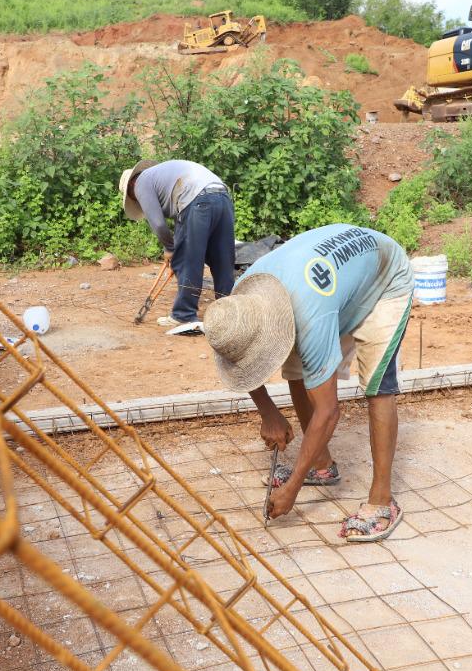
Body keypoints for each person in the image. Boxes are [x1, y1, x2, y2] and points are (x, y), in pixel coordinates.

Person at [202, 224, 413, 543]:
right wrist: (268, 413)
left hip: (384, 275)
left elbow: (328, 411)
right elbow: (241, 361)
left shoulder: (309, 315)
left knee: (377, 386)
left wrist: (292, 489)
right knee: (297, 367)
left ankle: (382, 500)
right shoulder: (242, 300)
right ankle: (321, 465)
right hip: (332, 284)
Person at [119, 159, 235, 335]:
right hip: (222, 196)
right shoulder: (161, 176)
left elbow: (158, 224)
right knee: (222, 258)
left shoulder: (141, 183)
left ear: (131, 188)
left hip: (196, 200)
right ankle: (231, 310)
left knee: (187, 259)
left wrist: (170, 248)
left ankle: (184, 314)